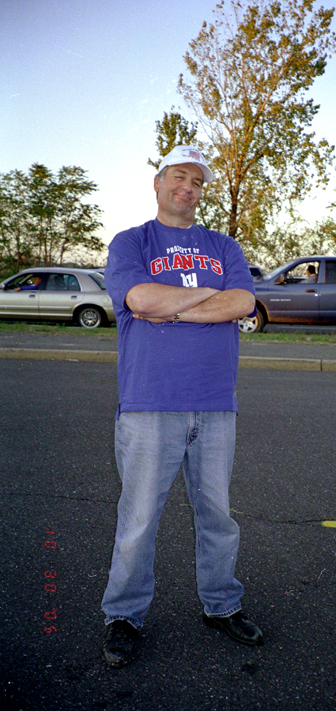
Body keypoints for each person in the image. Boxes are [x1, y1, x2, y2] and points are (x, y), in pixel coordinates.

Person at [101, 145, 263, 668]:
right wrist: (202, 299)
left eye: (197, 181)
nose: (188, 187)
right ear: (158, 182)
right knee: (140, 517)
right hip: (150, 404)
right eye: (179, 176)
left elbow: (242, 302)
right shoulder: (132, 242)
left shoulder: (223, 245)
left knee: (218, 515)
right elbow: (139, 300)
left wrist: (170, 308)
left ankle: (221, 605)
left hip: (216, 405)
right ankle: (122, 616)